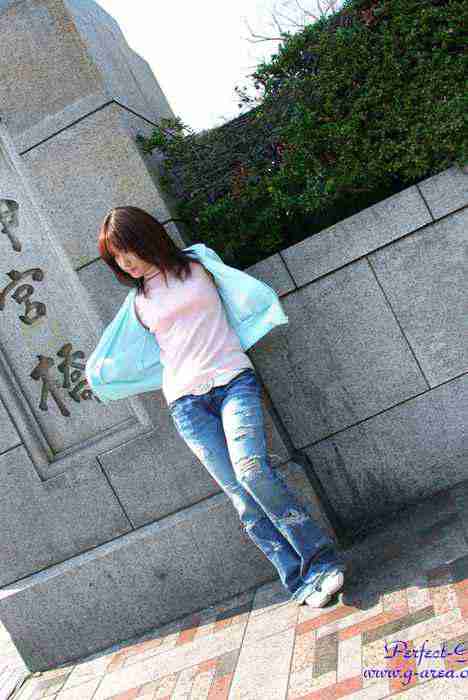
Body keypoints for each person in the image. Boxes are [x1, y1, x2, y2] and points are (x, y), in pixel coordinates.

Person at [97, 205, 346, 607]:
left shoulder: (198, 263)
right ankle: (299, 581)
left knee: (253, 473)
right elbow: (123, 353)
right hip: (186, 404)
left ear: (146, 238)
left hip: (233, 381)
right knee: (242, 499)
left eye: (128, 250)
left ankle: (320, 561)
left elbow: (240, 295)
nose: (125, 263)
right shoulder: (137, 302)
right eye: (116, 258)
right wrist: (99, 377)